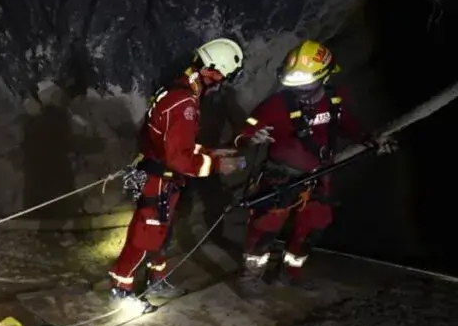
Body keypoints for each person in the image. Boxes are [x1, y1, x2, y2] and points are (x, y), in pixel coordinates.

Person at [233, 39, 396, 291]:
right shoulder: (276, 105)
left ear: (324, 77)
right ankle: (250, 278)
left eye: (305, 83)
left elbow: (348, 125)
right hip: (281, 178)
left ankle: (289, 274)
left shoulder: (334, 100)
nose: (298, 89)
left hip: (320, 176)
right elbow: (243, 133)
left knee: (312, 227)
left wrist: (370, 139)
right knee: (265, 227)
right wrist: (251, 137)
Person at [109, 38, 247, 301]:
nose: (220, 83)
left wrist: (211, 152)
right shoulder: (183, 103)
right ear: (212, 71)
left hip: (161, 176)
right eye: (222, 77)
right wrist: (218, 164)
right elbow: (178, 159)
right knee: (145, 236)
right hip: (159, 179)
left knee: (160, 233)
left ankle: (156, 279)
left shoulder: (179, 90)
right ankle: (121, 287)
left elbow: (177, 143)